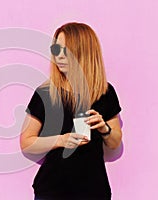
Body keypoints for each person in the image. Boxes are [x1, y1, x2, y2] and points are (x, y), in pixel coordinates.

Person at [20, 22, 122, 200]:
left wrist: (104, 128)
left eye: (65, 50)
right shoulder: (46, 93)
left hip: (94, 190)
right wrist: (61, 140)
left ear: (83, 51)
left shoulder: (105, 92)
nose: (59, 57)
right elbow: (26, 142)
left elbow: (115, 143)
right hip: (51, 190)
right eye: (55, 50)